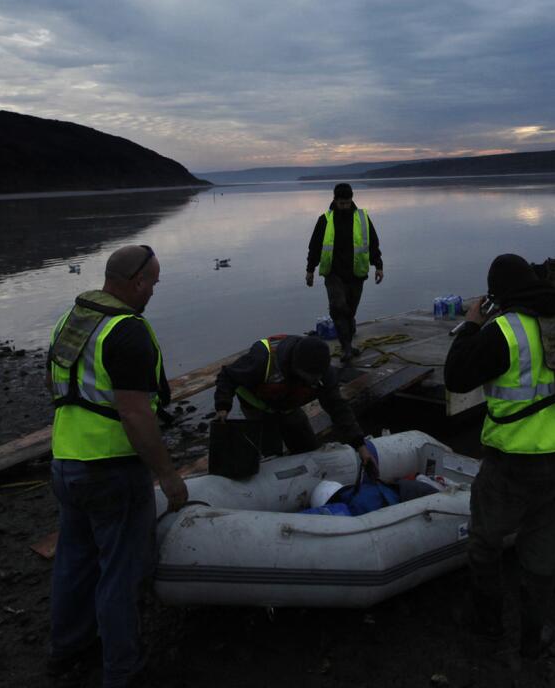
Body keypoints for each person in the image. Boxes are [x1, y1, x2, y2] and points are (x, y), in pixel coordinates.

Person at [46, 244, 188, 687]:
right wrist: (167, 475)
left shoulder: (71, 320)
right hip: (111, 468)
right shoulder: (127, 332)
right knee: (121, 572)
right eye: (153, 284)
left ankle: (68, 647)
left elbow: (62, 386)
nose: (154, 293)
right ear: (137, 282)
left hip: (66, 460)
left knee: (74, 560)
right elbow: (134, 413)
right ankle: (123, 669)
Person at [444, 253, 555, 659]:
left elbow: (456, 376)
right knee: (543, 549)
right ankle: (532, 636)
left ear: (498, 295)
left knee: (486, 541)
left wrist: (473, 323)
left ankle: (487, 622)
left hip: (511, 464)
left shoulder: (504, 332)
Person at [212, 333, 374, 471]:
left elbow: (338, 408)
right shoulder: (263, 359)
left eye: (314, 379)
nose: (311, 381)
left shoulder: (323, 374)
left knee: (308, 448)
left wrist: (360, 445)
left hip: (288, 406)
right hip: (257, 406)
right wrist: (223, 407)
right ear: (294, 366)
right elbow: (227, 376)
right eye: (307, 377)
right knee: (271, 455)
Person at [305, 183, 382, 366]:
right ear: (335, 200)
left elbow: (373, 243)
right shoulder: (324, 220)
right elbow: (314, 247)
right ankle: (346, 347)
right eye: (341, 203)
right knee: (338, 307)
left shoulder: (362, 218)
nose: (345, 206)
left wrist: (378, 266)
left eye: (347, 203)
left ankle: (348, 340)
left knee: (350, 311)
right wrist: (310, 270)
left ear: (352, 199)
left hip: (356, 273)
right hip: (333, 273)